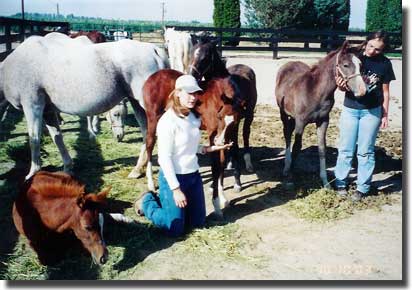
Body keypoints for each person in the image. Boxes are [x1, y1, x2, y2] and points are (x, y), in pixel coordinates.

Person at [136, 74, 232, 236]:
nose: (193, 97)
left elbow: (190, 146)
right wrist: (176, 190)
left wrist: (211, 148)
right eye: (189, 93)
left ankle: (173, 206)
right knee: (174, 228)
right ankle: (147, 203)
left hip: (193, 177)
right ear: (177, 93)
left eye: (195, 93)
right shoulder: (168, 122)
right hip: (173, 179)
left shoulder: (193, 117)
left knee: (198, 223)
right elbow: (164, 158)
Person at [334, 31, 396, 201]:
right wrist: (340, 87)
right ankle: (340, 182)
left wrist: (384, 113)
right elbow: (343, 83)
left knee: (365, 151)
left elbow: (385, 91)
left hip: (372, 112)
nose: (372, 51)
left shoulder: (385, 64)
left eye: (377, 49)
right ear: (366, 42)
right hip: (350, 109)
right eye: (370, 46)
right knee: (345, 148)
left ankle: (363, 187)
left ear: (383, 50)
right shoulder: (355, 57)